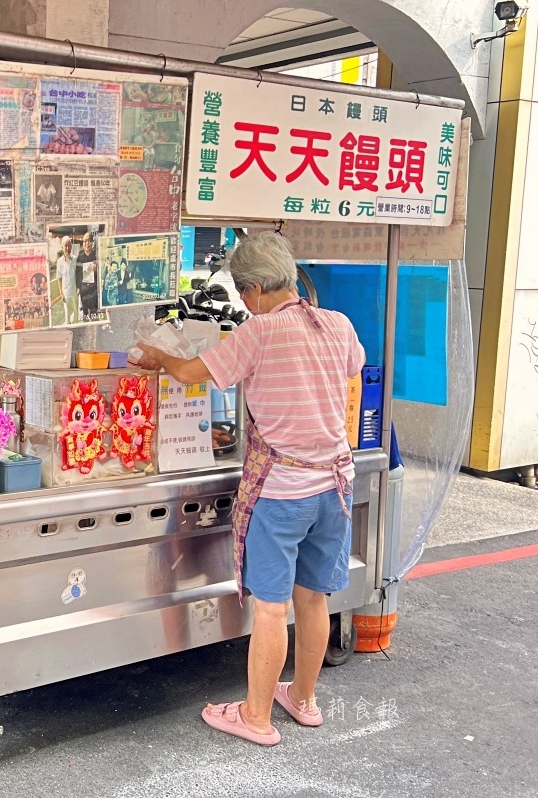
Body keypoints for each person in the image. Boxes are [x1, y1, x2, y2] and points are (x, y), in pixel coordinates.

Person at [132, 232, 364, 746]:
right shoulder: (338, 324)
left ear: (257, 287)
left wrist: (158, 356)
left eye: (242, 292)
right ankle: (303, 700)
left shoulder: (259, 333)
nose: (242, 302)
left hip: (283, 490)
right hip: (334, 486)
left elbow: (195, 370)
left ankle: (256, 716)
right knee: (314, 598)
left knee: (272, 608)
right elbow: (352, 367)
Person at [77, 232, 99, 319]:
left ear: (92, 242)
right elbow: (77, 274)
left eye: (89, 241)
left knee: (94, 314)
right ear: (83, 243)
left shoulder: (96, 255)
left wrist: (97, 269)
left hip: (94, 290)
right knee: (85, 314)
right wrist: (78, 287)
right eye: (85, 241)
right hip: (84, 291)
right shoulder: (80, 257)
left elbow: (102, 271)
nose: (87, 243)